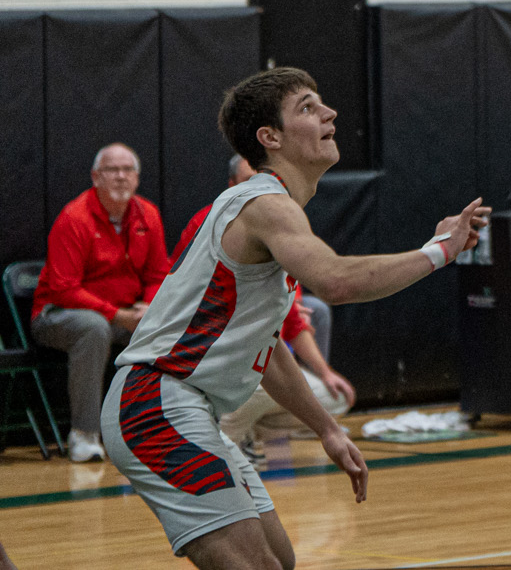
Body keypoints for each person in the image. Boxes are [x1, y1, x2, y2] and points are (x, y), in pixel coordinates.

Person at [105, 68, 487, 570]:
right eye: (308, 107)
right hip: (155, 404)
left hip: (186, 406)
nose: (329, 114)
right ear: (271, 137)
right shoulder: (265, 203)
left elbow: (267, 346)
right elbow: (337, 281)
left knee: (279, 561)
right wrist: (439, 251)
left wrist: (326, 428)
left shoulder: (273, 207)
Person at [172, 158, 354, 465]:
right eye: (249, 181)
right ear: (232, 186)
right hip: (219, 356)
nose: (259, 190)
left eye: (265, 181)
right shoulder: (210, 222)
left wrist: (325, 372)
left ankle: (245, 432)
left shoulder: (284, 225)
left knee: (333, 397)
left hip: (264, 356)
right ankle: (217, 439)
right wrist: (435, 254)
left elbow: (293, 320)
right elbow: (181, 293)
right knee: (264, 381)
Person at [30, 142, 172, 462]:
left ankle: (150, 429)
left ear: (137, 178)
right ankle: (84, 435)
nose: (121, 177)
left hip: (123, 315)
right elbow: (64, 289)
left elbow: (158, 273)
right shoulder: (75, 217)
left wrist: (149, 306)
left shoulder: (147, 214)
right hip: (59, 315)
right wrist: (117, 314)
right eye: (112, 170)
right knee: (94, 328)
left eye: (128, 170)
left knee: (166, 323)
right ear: (96, 176)